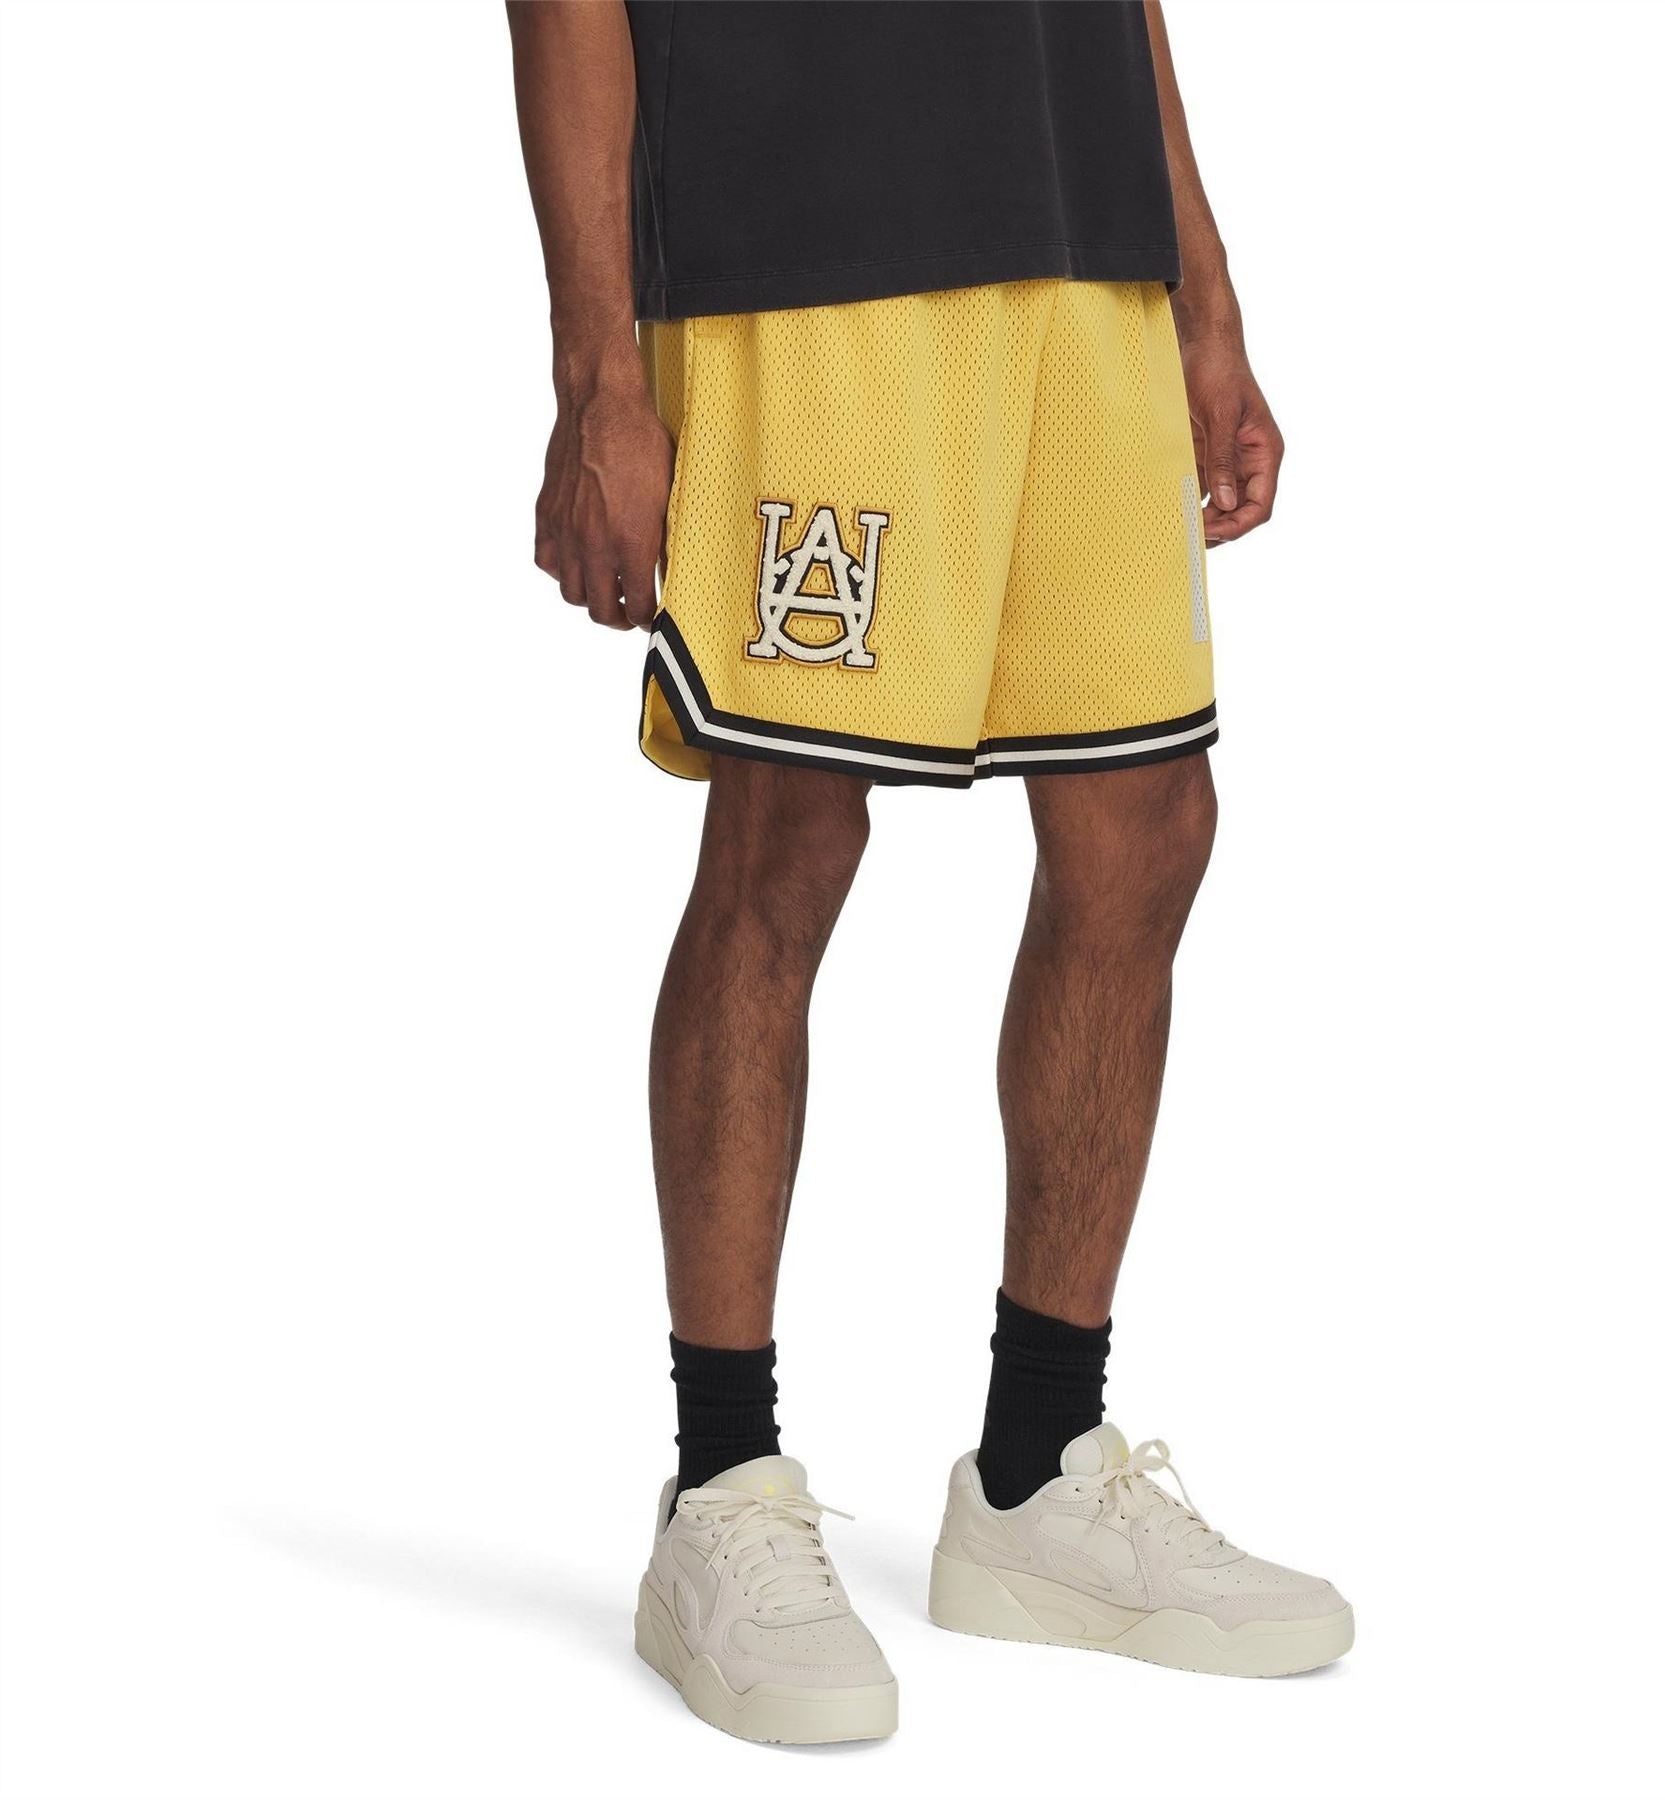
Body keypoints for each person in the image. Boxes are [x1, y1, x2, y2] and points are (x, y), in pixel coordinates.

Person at [508, 0, 1351, 1744]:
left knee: (1147, 821)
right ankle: (723, 1488)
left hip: (1084, 241)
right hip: (805, 246)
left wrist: (1204, 291)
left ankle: (1039, 1468)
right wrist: (597, 369)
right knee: (790, 828)